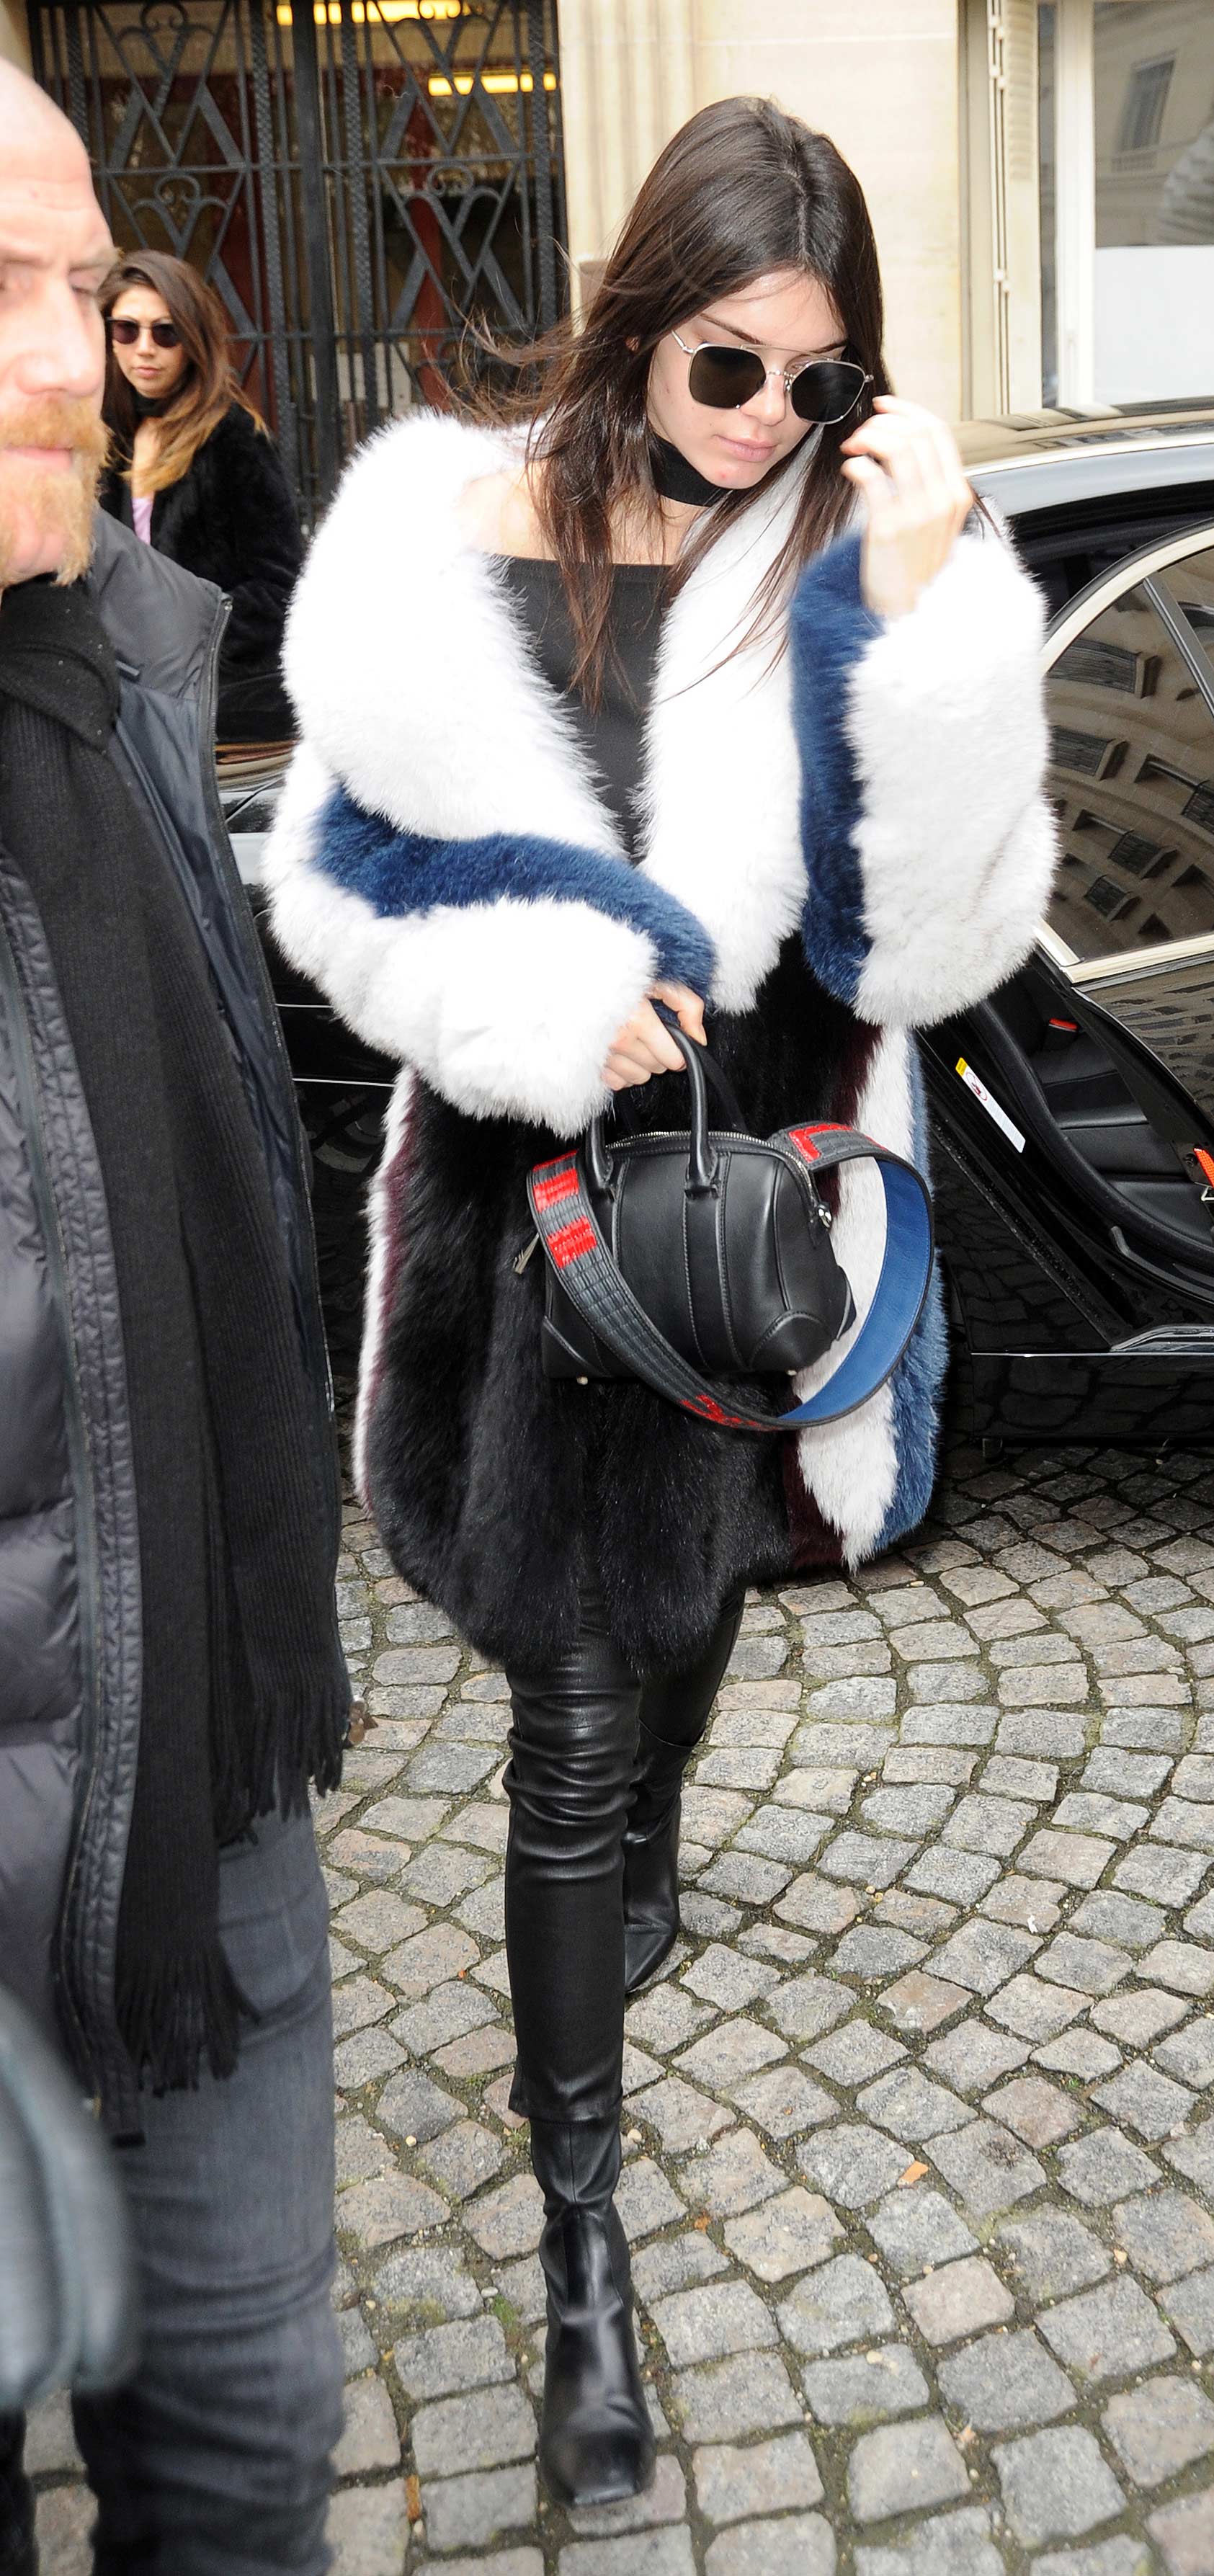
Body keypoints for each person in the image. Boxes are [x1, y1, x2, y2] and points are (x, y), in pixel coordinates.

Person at [267, 95, 1056, 2509]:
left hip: (755, 1229)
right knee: (570, 1730)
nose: (764, 429)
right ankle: (585, 2259)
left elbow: (933, 948)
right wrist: (535, 1005)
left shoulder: (864, 561)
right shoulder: (442, 525)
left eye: (820, 384)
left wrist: (933, 635)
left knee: (685, 1652)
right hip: (525, 1242)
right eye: (730, 369)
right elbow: (334, 877)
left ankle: (664, 1828)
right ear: (637, 319)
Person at [0, 62, 349, 2575]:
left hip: (210, 1785)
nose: (70, 354)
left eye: (82, 279)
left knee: (244, 2453)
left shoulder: (124, 659)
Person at [97, 248, 302, 741]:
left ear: (192, 340)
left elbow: (280, 588)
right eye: (126, 329)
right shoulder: (108, 437)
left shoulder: (233, 438)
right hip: (131, 701)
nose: (144, 348)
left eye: (165, 333)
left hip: (218, 708)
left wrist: (184, 635)